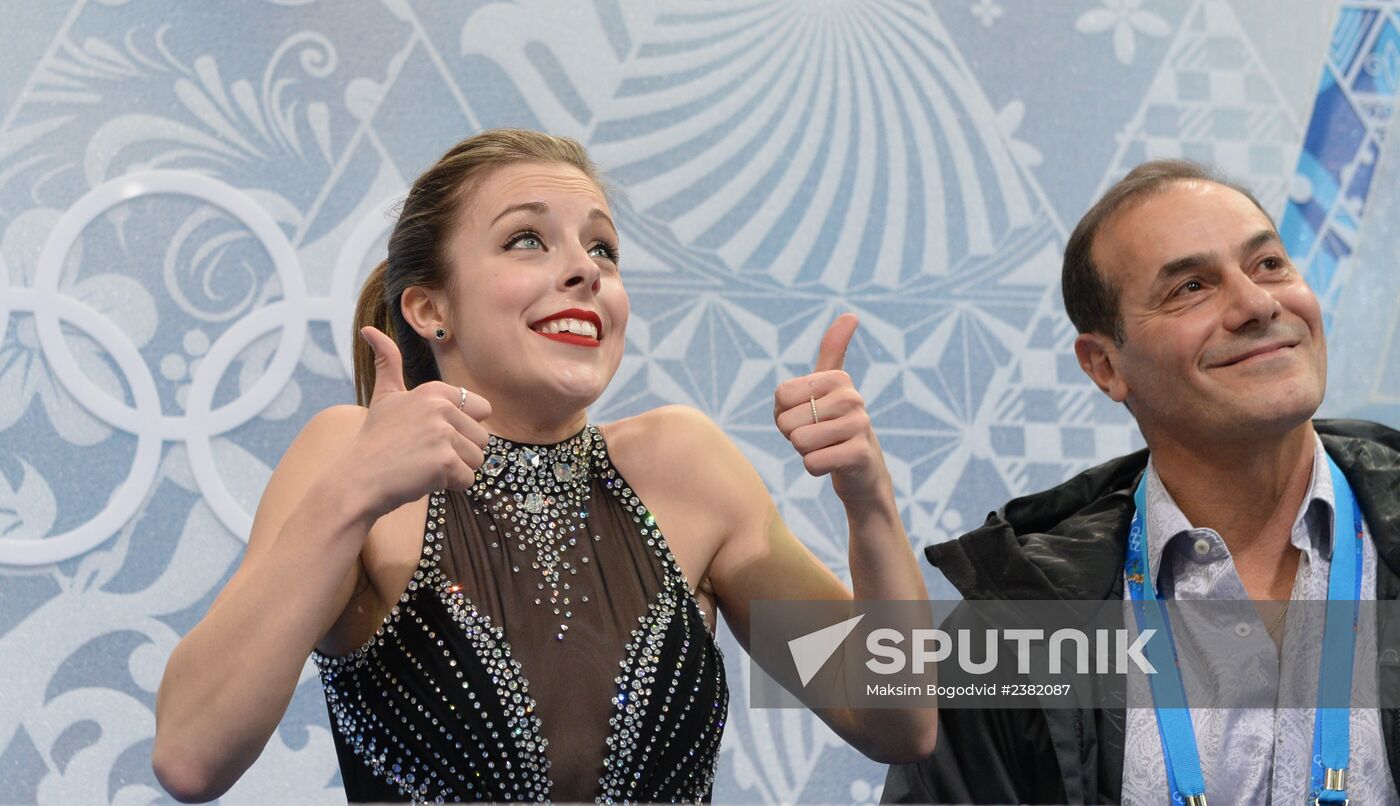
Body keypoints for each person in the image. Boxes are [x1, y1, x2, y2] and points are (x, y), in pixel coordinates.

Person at [151, 128, 936, 804]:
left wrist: (870, 506)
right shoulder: (347, 451)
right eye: (527, 239)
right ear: (430, 309)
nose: (585, 268)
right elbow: (191, 757)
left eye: (603, 248)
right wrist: (352, 496)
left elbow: (898, 723)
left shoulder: (685, 463)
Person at [883, 160, 1400, 804]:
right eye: (1190, 286)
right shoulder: (1015, 632)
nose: (1257, 304)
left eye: (1269, 264)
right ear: (1105, 366)